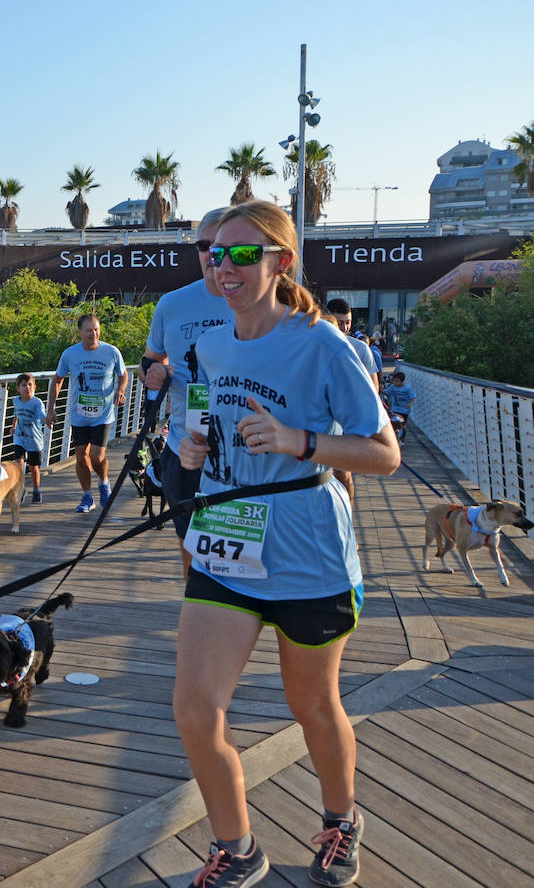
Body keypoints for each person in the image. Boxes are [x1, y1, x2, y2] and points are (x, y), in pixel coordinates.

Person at [176, 201, 399, 888]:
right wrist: (192, 446)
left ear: (281, 261)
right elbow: (212, 425)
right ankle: (237, 847)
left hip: (309, 555)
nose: (225, 266)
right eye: (216, 253)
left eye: (244, 254)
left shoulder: (323, 344)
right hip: (228, 544)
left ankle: (341, 822)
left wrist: (300, 441)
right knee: (194, 708)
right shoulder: (212, 347)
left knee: (313, 707)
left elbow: (384, 454)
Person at [141, 207, 233, 577]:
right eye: (204, 245)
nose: (213, 255)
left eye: (224, 247)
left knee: (234, 562)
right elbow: (150, 361)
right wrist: (155, 373)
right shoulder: (173, 303)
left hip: (242, 453)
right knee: (191, 550)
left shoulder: (259, 303)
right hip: (184, 446)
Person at [47, 314, 128, 512]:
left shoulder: (111, 352)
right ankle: (87, 497)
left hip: (103, 413)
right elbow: (58, 380)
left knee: (96, 456)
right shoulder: (69, 354)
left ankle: (104, 483)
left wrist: (120, 390)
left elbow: (123, 374)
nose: (94, 333)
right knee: (81, 457)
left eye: (96, 329)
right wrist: (50, 409)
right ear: (80, 332)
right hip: (79, 413)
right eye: (89, 330)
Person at [6, 372, 48, 503]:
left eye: (30, 385)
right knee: (18, 463)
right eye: (24, 385)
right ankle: (21, 488)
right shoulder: (16, 401)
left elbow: (42, 416)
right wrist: (13, 427)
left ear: (35, 387)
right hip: (20, 437)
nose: (27, 388)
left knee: (33, 467)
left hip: (34, 439)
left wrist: (48, 420)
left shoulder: (37, 403)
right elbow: (16, 414)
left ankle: (36, 490)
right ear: (18, 388)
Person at [383, 371, 417, 443]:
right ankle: (394, 438)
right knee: (395, 423)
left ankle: (402, 438)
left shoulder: (407, 388)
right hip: (395, 409)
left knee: (403, 425)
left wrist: (409, 403)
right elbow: (386, 392)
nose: (395, 383)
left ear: (402, 381)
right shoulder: (393, 387)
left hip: (404, 410)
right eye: (394, 381)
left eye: (397, 381)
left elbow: (413, 397)